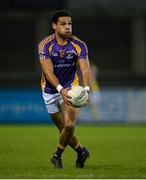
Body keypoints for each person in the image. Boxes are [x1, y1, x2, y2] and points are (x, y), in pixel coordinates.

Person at [38, 10, 91, 169]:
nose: (67, 27)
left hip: (70, 89)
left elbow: (85, 70)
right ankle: (81, 151)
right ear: (54, 26)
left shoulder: (79, 45)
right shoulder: (45, 45)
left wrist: (86, 90)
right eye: (63, 24)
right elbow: (48, 72)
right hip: (50, 91)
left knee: (69, 126)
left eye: (69, 24)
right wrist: (59, 89)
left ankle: (57, 155)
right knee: (64, 130)